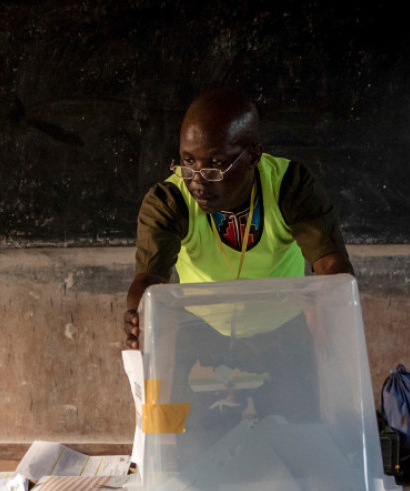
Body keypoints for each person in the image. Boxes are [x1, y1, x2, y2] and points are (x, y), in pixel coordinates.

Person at [123, 87, 354, 350]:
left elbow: (332, 266)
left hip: (283, 331)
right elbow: (148, 280)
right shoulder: (170, 200)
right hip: (201, 331)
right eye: (188, 162)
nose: (197, 181)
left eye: (215, 164)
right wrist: (138, 314)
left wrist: (334, 311)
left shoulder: (291, 187)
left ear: (253, 156)